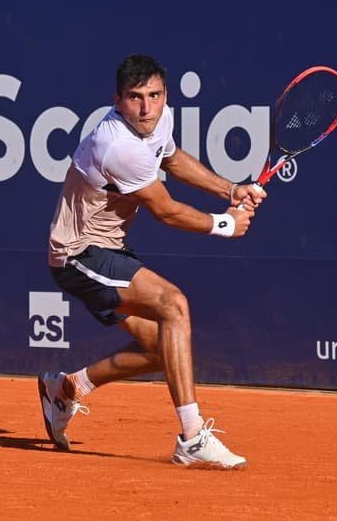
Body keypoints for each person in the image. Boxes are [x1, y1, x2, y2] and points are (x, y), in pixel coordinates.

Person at [38, 54, 266, 469]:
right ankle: (193, 438)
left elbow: (173, 160)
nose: (146, 108)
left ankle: (67, 389)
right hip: (77, 254)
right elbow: (166, 210)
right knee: (173, 304)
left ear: (164, 95)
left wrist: (230, 190)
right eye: (135, 98)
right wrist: (224, 225)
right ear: (118, 100)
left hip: (109, 247)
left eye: (154, 96)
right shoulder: (116, 144)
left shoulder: (158, 121)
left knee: (164, 348)